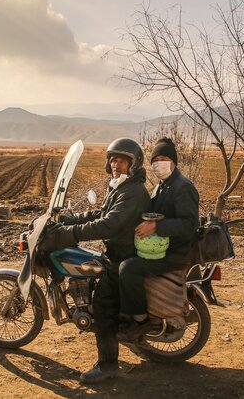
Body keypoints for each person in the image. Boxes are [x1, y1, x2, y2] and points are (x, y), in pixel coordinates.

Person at [39, 138, 151, 384]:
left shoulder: (133, 192)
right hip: (117, 251)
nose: (114, 164)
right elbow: (101, 213)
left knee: (102, 306)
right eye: (112, 159)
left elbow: (108, 225)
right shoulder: (121, 187)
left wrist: (70, 233)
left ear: (133, 163)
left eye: (121, 159)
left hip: (123, 255)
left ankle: (108, 364)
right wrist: (69, 219)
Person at [116, 137, 200, 342]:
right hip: (161, 247)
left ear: (174, 162)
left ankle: (140, 321)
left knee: (128, 268)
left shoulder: (183, 186)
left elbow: (190, 224)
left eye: (163, 158)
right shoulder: (163, 185)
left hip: (175, 254)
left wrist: (156, 227)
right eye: (154, 160)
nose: (158, 164)